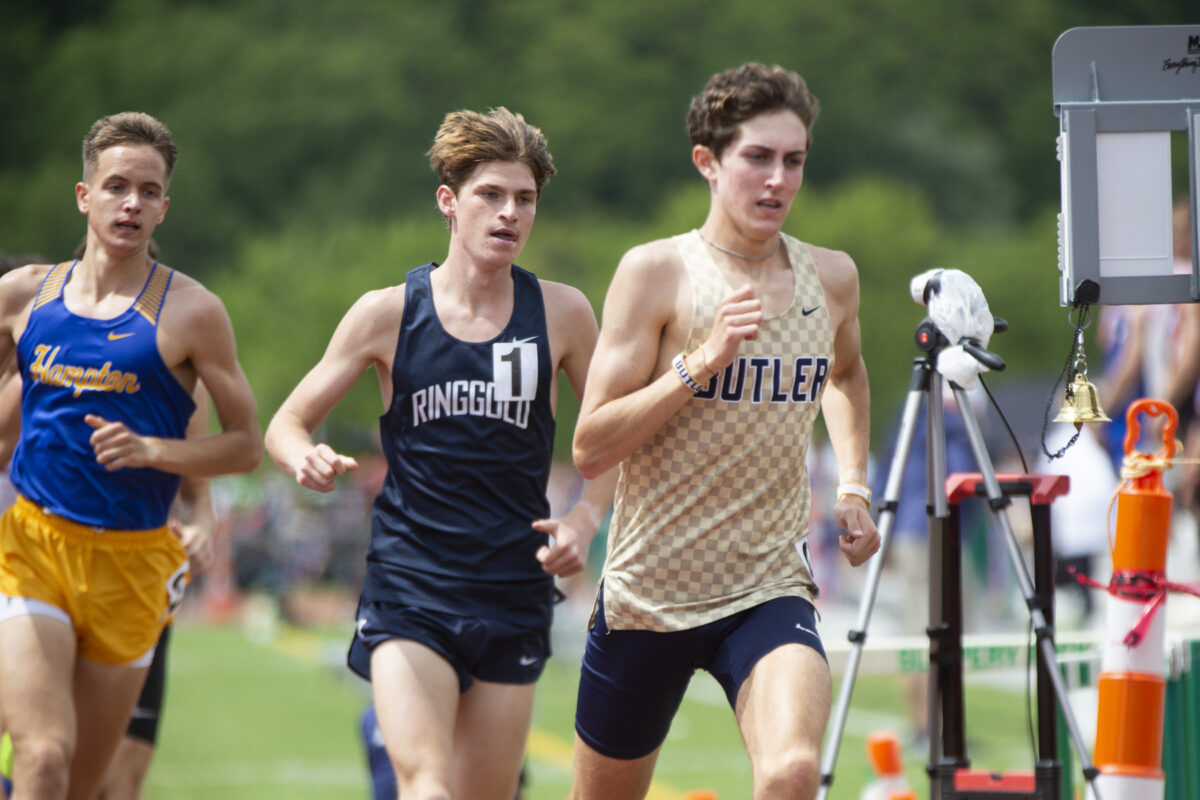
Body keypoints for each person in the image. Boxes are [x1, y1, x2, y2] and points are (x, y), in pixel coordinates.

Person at [264, 107, 616, 800]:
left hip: (514, 588)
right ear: (449, 202)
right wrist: (303, 454)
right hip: (411, 583)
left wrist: (584, 518)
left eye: (525, 200)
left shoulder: (563, 314)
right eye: (491, 195)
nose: (509, 213)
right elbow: (286, 422)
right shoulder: (387, 313)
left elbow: (617, 437)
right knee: (426, 786)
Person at [569, 63, 880, 800]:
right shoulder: (656, 273)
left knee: (793, 772)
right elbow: (590, 446)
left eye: (794, 160)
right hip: (651, 592)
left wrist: (855, 484)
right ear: (708, 163)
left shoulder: (829, 278)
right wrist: (699, 364)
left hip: (765, 584)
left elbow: (845, 374)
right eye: (758, 158)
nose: (778, 180)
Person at [0, 111, 262, 800]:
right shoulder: (23, 297)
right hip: (34, 548)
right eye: (116, 186)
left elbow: (245, 445)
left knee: (85, 786)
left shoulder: (193, 313)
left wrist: (155, 450)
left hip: (133, 565)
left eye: (148, 192)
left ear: (164, 208)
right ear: (84, 195)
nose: (131, 203)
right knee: (44, 757)